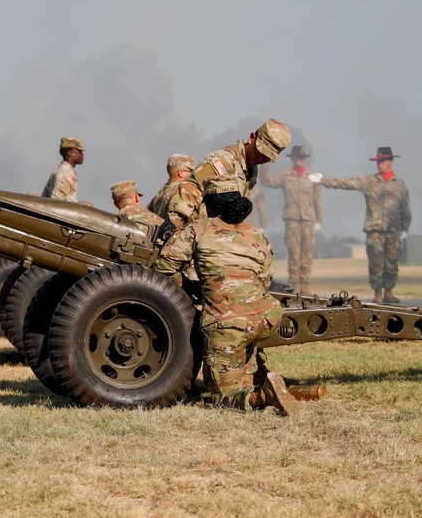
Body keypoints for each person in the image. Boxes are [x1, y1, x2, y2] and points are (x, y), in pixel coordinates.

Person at [154, 175, 300, 416]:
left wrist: (191, 288)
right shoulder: (256, 235)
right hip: (266, 317)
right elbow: (264, 280)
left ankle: (263, 396)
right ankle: (264, 380)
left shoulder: (199, 229)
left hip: (227, 324)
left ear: (209, 205)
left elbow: (164, 267)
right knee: (243, 345)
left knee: (222, 395)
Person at [317, 147, 411, 304]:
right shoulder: (368, 181)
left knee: (391, 263)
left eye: (382, 161)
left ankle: (388, 291)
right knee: (375, 262)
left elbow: (405, 207)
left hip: (394, 230)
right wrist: (323, 180)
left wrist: (405, 228)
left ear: (391, 162)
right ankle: (378, 293)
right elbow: (346, 183)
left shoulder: (400, 184)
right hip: (374, 230)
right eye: (378, 161)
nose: (379, 164)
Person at [165, 118, 291, 229]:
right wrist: (175, 220)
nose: (260, 159)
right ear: (252, 138)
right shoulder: (225, 160)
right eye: (259, 153)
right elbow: (192, 187)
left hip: (215, 233)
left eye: (266, 158)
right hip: (196, 229)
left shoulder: (251, 170)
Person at [261, 145, 323, 295]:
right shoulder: (286, 176)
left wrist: (319, 220)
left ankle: (305, 284)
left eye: (302, 157)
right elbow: (266, 181)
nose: (300, 160)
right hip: (292, 219)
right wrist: (264, 163)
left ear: (305, 159)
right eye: (297, 157)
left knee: (307, 252)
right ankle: (294, 284)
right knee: (294, 252)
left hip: (308, 220)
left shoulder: (312, 178)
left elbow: (318, 200)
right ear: (293, 158)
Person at [147, 154, 194, 219]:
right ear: (181, 173)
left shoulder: (159, 194)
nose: (192, 174)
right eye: (191, 171)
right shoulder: (182, 189)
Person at [41, 137, 84, 202]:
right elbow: (58, 201)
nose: (82, 154)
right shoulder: (67, 173)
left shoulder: (58, 169)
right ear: (70, 153)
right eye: (80, 151)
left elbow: (44, 197)